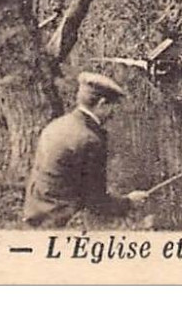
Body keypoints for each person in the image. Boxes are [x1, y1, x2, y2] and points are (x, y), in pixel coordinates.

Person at [22, 71, 150, 227]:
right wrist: (128, 202)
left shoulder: (57, 124)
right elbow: (96, 202)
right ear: (102, 104)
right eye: (113, 107)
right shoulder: (90, 140)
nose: (114, 114)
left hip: (36, 213)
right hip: (61, 221)